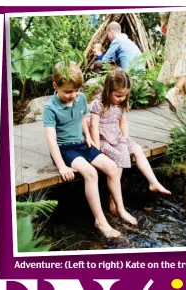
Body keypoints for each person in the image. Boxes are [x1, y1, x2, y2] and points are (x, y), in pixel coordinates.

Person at [43, 62, 137, 239]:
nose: (73, 95)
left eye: (76, 90)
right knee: (91, 173)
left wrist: (89, 137)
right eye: (68, 92)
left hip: (82, 143)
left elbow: (82, 119)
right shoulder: (50, 108)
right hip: (64, 149)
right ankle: (100, 220)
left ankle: (120, 209)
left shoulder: (81, 98)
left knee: (111, 167)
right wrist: (62, 166)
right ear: (55, 86)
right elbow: (51, 140)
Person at [89, 68, 172, 206]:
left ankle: (153, 182)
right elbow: (93, 125)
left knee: (137, 149)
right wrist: (96, 148)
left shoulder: (121, 103)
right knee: (119, 159)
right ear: (108, 90)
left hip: (116, 136)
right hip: (103, 138)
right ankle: (113, 199)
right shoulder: (99, 103)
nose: (121, 99)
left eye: (124, 95)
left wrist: (126, 138)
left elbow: (123, 122)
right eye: (118, 95)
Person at [158, 11, 186, 112]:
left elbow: (164, 10)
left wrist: (164, 21)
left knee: (181, 58)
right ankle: (174, 91)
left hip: (176, 18)